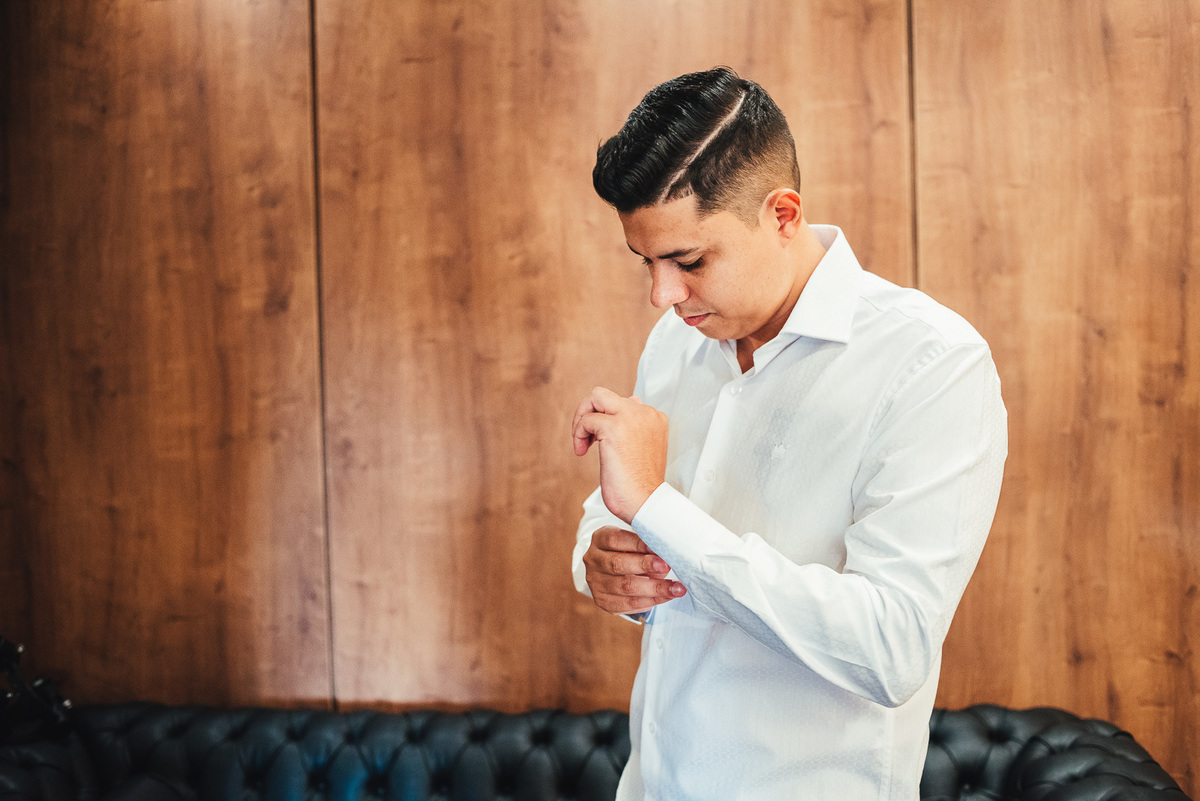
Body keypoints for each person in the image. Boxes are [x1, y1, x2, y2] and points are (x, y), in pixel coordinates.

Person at [569, 67, 1007, 801]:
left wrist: (655, 511)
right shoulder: (675, 341)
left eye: (689, 259)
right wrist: (602, 564)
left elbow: (890, 647)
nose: (662, 294)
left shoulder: (932, 366)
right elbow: (630, 512)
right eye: (647, 261)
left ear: (782, 213)